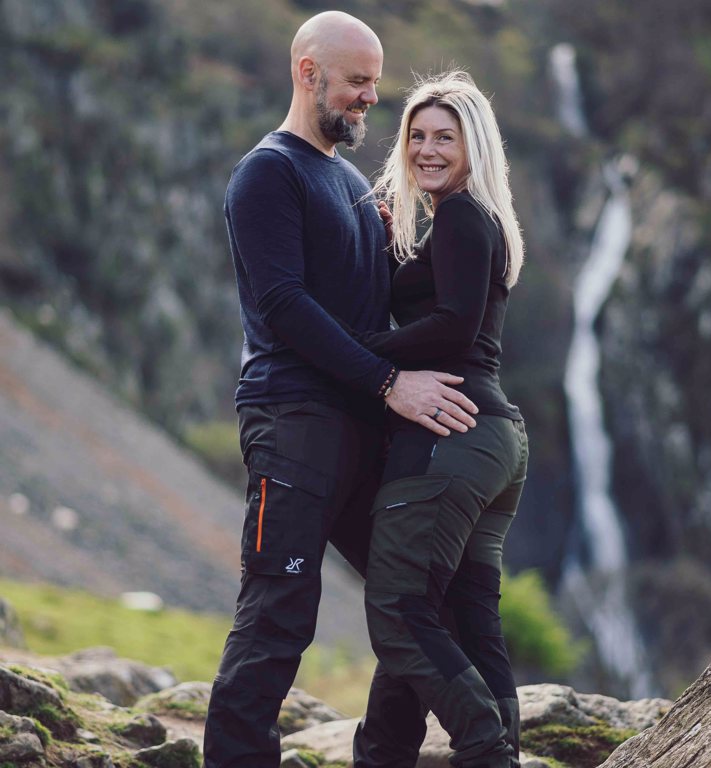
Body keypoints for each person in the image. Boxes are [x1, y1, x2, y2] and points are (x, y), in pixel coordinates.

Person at [202, 13, 479, 768]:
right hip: (293, 421)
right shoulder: (268, 172)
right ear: (306, 71)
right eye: (356, 82)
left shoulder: (354, 183)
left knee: (416, 607)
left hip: (368, 429)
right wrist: (390, 382)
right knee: (277, 616)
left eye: (374, 85)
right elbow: (285, 306)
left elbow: (394, 305)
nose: (368, 99)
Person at [347, 71, 529, 768]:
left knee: (398, 615)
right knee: (464, 617)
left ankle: (489, 753)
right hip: (495, 442)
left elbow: (451, 325)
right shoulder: (478, 219)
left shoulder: (458, 215)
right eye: (416, 136)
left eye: (443, 137)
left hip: (446, 436)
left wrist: (356, 354)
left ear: (473, 144)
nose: (425, 148)